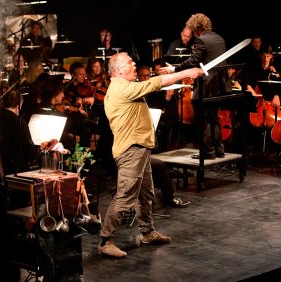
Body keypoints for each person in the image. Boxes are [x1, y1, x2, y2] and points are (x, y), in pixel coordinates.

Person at [97, 52, 203, 258]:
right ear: (118, 70)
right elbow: (155, 83)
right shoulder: (121, 89)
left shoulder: (126, 87)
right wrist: (186, 72)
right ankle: (105, 240)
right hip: (131, 150)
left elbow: (156, 84)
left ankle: (147, 232)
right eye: (129, 62)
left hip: (140, 148)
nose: (134, 64)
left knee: (146, 194)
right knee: (125, 196)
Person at [160, 13, 230, 160]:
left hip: (206, 85)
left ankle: (208, 152)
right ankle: (219, 150)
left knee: (203, 119)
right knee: (214, 118)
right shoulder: (219, 38)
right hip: (219, 85)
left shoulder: (201, 40)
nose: (192, 34)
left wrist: (174, 69)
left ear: (198, 28)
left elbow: (192, 62)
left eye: (193, 30)